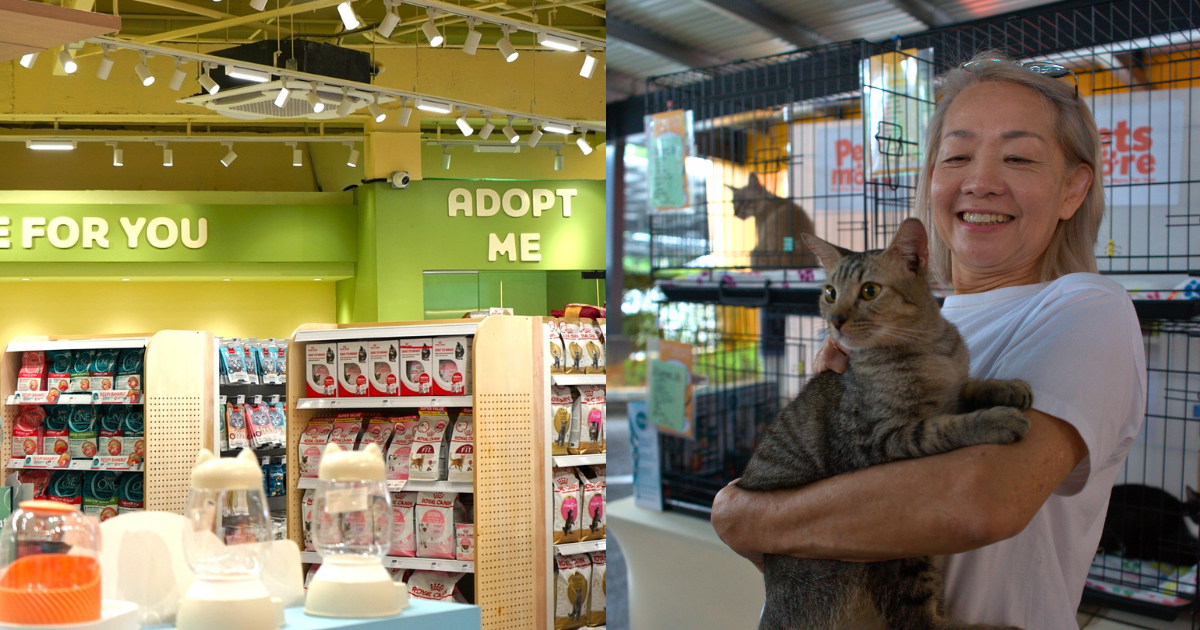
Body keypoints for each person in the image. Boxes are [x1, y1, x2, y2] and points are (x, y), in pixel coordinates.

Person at [711, 51, 1147, 628]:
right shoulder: (894, 325)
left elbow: (978, 500)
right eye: (957, 156)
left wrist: (742, 514)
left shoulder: (1087, 307)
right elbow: (822, 538)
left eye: (1017, 157)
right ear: (932, 182)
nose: (981, 181)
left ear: (1072, 190)